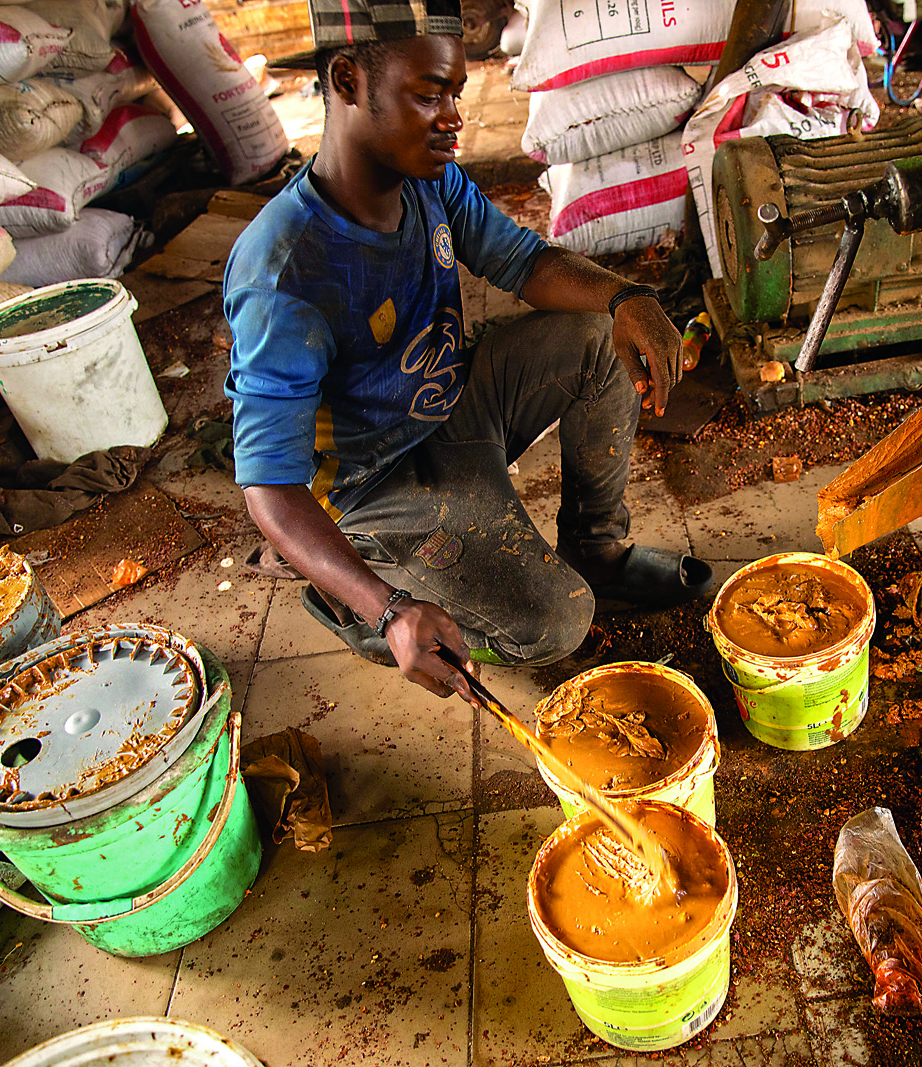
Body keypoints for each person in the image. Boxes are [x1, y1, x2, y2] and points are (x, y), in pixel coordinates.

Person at [223, 0, 714, 701]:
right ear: (346, 79)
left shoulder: (432, 182)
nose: (454, 116)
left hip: (455, 413)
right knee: (557, 621)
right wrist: (388, 607)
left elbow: (527, 263)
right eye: (430, 95)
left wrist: (625, 297)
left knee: (600, 342)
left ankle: (596, 549)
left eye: (455, 91)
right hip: (373, 488)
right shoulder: (285, 272)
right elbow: (269, 489)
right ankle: (361, 606)